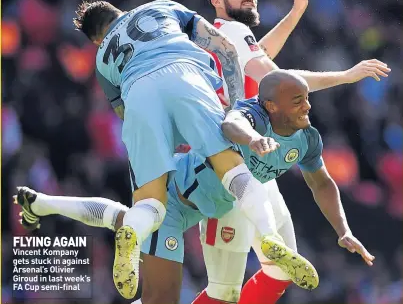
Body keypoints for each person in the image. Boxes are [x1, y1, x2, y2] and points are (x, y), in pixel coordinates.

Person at [15, 71, 375, 304]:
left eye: (306, 98)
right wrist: (252, 140)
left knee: (129, 219)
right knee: (210, 282)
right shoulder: (252, 113)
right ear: (270, 105)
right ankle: (271, 242)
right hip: (188, 190)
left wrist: (343, 229)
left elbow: (322, 182)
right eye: (299, 101)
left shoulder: (308, 139)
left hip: (205, 202)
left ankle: (43, 204)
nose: (308, 106)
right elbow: (232, 122)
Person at [71, 0, 318, 299]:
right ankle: (268, 236)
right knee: (233, 168)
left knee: (150, 204)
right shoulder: (160, 7)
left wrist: (164, 139)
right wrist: (234, 106)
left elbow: (123, 114)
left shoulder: (101, 62)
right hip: (183, 74)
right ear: (119, 10)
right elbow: (223, 46)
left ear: (97, 39)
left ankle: (132, 233)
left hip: (137, 94)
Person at [194, 0, 390, 304]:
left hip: (249, 161)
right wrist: (346, 75)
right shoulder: (231, 34)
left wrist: (297, 10)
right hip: (228, 164)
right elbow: (280, 80)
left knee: (280, 270)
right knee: (228, 289)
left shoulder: (231, 39)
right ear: (217, 1)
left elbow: (262, 56)